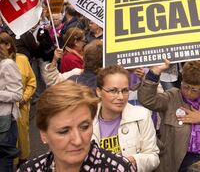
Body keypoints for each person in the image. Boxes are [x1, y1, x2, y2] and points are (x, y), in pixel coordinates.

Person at [18, 80, 136, 171]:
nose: (78, 140)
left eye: (84, 127)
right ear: (44, 134)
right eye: (64, 131)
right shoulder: (29, 169)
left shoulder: (119, 168)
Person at [137, 60, 200, 172]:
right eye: (185, 86)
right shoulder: (172, 97)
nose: (188, 92)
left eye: (194, 89)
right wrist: (154, 73)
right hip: (172, 162)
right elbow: (147, 100)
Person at [93, 65, 160, 171]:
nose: (120, 97)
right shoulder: (87, 119)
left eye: (125, 90)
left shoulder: (142, 115)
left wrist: (132, 161)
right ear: (99, 92)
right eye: (113, 91)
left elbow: (153, 157)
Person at [0, 32, 36, 166]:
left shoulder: (22, 59)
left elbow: (32, 82)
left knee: (21, 139)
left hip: (20, 107)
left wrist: (24, 99)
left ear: (8, 45)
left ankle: (23, 163)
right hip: (5, 111)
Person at [0, 33, 23, 172]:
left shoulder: (8, 64)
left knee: (4, 161)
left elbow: (17, 94)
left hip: (5, 120)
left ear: (7, 45)